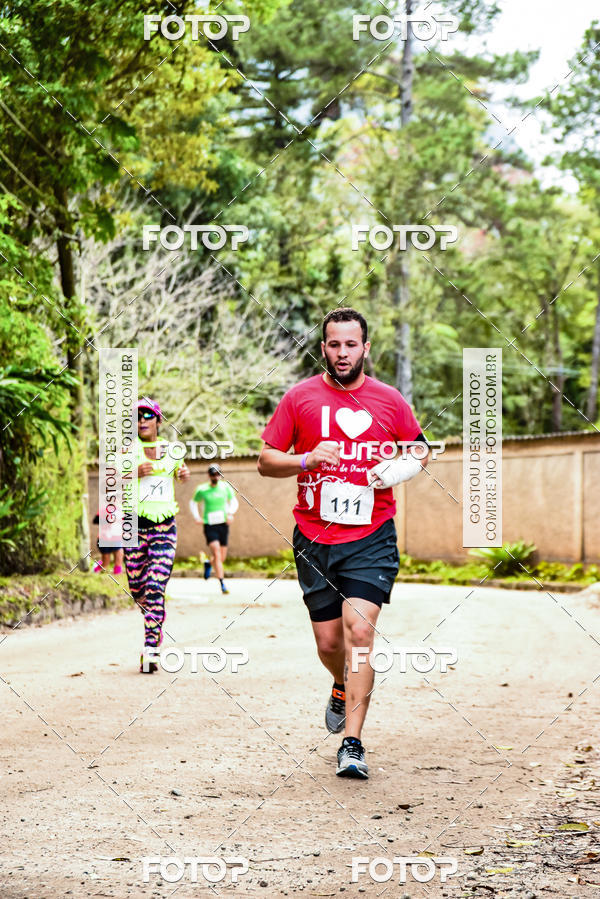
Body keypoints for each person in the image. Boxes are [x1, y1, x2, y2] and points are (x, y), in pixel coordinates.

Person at [257, 307, 430, 779]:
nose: (342, 353)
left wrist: (391, 471)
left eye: (351, 344)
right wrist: (306, 459)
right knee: (329, 640)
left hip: (372, 536)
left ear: (365, 348)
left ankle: (352, 744)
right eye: (334, 344)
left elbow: (419, 450)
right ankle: (339, 683)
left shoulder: (389, 400)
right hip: (314, 536)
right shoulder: (300, 398)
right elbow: (265, 460)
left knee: (359, 633)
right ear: (324, 348)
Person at [124, 398, 190, 673]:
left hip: (164, 526)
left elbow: (179, 473)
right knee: (139, 590)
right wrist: (133, 472)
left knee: (155, 586)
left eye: (148, 416)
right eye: (138, 416)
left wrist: (183, 473)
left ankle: (151, 646)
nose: (142, 421)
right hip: (134, 528)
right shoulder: (127, 450)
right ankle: (154, 620)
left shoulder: (173, 450)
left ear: (158, 420)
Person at [189, 464, 239, 595]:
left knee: (221, 558)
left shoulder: (225, 487)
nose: (215, 476)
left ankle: (208, 563)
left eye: (218, 474)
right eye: (213, 474)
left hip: (223, 524)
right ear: (209, 475)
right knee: (216, 553)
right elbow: (193, 502)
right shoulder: (202, 489)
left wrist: (230, 513)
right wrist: (197, 517)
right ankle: (222, 584)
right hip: (209, 525)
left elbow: (234, 501)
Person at [92, 509, 124, 574]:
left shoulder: (122, 509)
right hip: (104, 538)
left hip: (117, 538)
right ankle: (97, 569)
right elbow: (95, 520)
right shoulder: (104, 509)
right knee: (106, 561)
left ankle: (117, 572)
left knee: (119, 555)